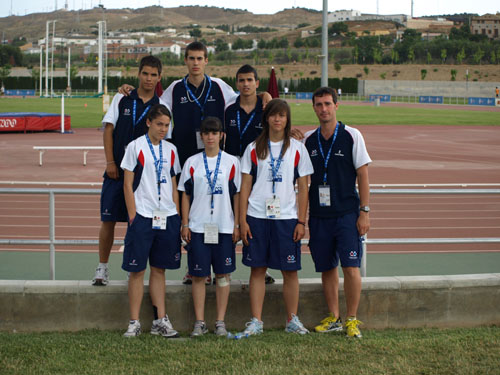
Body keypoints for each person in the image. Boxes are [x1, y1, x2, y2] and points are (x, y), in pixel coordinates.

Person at [119, 42, 271, 285]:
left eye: (200, 58)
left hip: (216, 159)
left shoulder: (220, 87)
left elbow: (245, 95)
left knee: (225, 209)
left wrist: (265, 95)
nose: (195, 62)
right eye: (191, 58)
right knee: (193, 214)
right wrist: (128, 89)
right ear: (186, 61)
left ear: (206, 61)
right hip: (187, 162)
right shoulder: (174, 89)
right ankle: (195, 268)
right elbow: (153, 103)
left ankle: (240, 266)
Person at [238, 99, 313, 336]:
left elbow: (303, 187)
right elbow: (245, 187)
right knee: (257, 270)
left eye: (282, 116)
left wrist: (302, 221)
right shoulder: (253, 148)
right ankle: (256, 321)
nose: (277, 119)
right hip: (257, 216)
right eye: (273, 115)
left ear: (287, 119)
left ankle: (292, 319)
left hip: (287, 218)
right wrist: (242, 221)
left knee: (290, 271)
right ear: (267, 119)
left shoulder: (297, 149)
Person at [303, 87, 371, 338]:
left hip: (346, 214)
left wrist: (364, 211)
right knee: (327, 268)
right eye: (319, 104)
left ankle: (352, 319)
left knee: (350, 266)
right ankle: (334, 317)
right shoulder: (308, 140)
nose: (323, 109)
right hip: (320, 216)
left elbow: (363, 175)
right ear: (314, 108)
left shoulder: (352, 136)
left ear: (336, 106)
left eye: (328, 104)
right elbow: (301, 178)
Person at [93, 55, 165, 286]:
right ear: (138, 74)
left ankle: (132, 267)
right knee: (108, 220)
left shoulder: (161, 107)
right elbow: (108, 130)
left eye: (154, 75)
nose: (149, 78)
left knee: (136, 222)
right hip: (116, 172)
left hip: (142, 177)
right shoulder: (122, 98)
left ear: (159, 77)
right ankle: (102, 267)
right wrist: (110, 162)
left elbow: (162, 142)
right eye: (145, 73)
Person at [121, 104, 182, 338]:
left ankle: (160, 321)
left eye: (166, 125)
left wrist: (175, 210)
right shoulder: (135, 147)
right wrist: (133, 214)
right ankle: (134, 322)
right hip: (143, 215)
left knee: (159, 270)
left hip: (167, 216)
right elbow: (127, 184)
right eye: (159, 124)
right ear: (149, 123)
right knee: (137, 271)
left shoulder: (172, 150)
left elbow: (174, 184)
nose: (163, 129)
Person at [178, 117, 241, 337]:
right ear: (201, 136)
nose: (211, 137)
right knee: (198, 276)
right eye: (207, 133)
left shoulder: (232, 162)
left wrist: (237, 224)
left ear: (221, 136)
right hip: (198, 226)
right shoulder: (192, 162)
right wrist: (185, 223)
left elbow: (237, 195)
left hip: (224, 227)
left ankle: (220, 322)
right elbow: (185, 195)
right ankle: (200, 322)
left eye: (215, 133)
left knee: (223, 275)